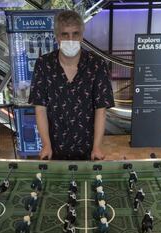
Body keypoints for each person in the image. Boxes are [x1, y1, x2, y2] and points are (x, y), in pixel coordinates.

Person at [29, 10, 114, 160]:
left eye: (75, 34)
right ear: (57, 37)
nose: (71, 39)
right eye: (65, 34)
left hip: (88, 150)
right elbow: (40, 108)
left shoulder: (97, 65)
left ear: (81, 36)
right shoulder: (43, 64)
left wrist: (97, 146)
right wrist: (46, 144)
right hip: (54, 149)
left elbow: (101, 109)